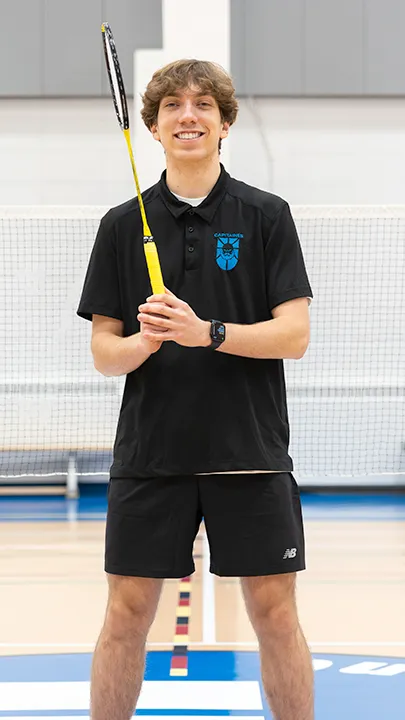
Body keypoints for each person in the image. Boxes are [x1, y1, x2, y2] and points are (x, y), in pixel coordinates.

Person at [77, 59, 314, 720]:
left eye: (203, 105)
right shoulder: (121, 226)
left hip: (250, 451)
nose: (188, 115)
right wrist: (145, 342)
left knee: (274, 614)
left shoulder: (266, 216)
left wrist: (204, 331)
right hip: (152, 456)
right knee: (125, 615)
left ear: (223, 123)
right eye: (173, 106)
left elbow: (292, 335)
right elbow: (104, 351)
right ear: (151, 127)